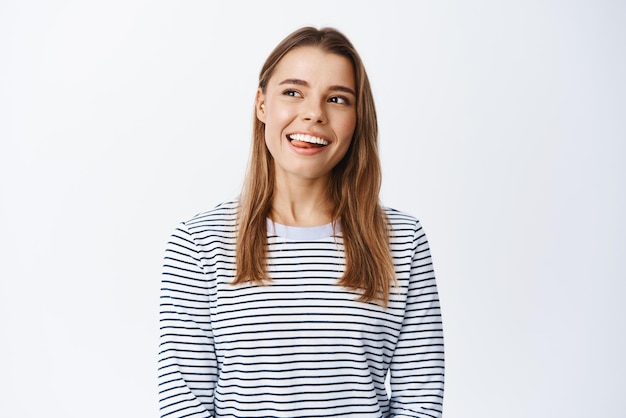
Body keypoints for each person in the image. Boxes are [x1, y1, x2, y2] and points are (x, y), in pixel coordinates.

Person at [158, 26, 444, 418]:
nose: (314, 113)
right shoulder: (198, 243)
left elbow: (420, 401)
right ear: (262, 105)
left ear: (357, 118)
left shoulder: (401, 241)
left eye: (338, 99)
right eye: (293, 92)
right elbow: (184, 404)